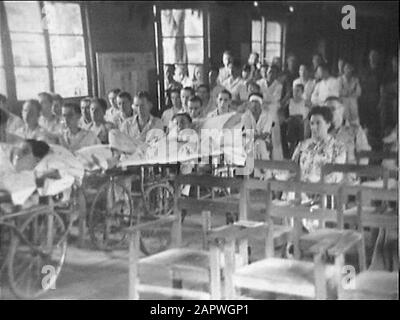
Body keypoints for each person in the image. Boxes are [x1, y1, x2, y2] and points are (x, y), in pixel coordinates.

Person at [292, 106, 346, 184]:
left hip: (325, 189)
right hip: (301, 187)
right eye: (312, 123)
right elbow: (292, 167)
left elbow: (337, 174)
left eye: (318, 123)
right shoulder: (303, 145)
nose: (314, 127)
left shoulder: (338, 147)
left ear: (328, 124)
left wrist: (316, 185)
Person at [325, 97, 371, 166]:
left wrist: (355, 173)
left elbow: (364, 157)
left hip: (348, 172)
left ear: (341, 109)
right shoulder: (321, 132)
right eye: (326, 110)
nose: (329, 113)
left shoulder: (355, 131)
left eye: (333, 109)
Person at [359, 50, 385, 146]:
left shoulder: (381, 71)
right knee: (365, 121)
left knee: (375, 121)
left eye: (375, 56)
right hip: (364, 99)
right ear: (369, 58)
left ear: (378, 58)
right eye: (371, 56)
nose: (373, 58)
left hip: (376, 98)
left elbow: (382, 87)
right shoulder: (365, 70)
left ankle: (376, 144)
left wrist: (380, 101)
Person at [286, 83, 309, 157]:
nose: (295, 93)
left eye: (298, 91)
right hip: (291, 122)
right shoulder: (290, 101)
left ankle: (300, 157)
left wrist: (306, 119)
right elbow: (281, 110)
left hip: (301, 122)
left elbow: (312, 110)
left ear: (302, 92)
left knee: (301, 142)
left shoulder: (305, 102)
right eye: (294, 91)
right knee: (291, 142)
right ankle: (291, 156)